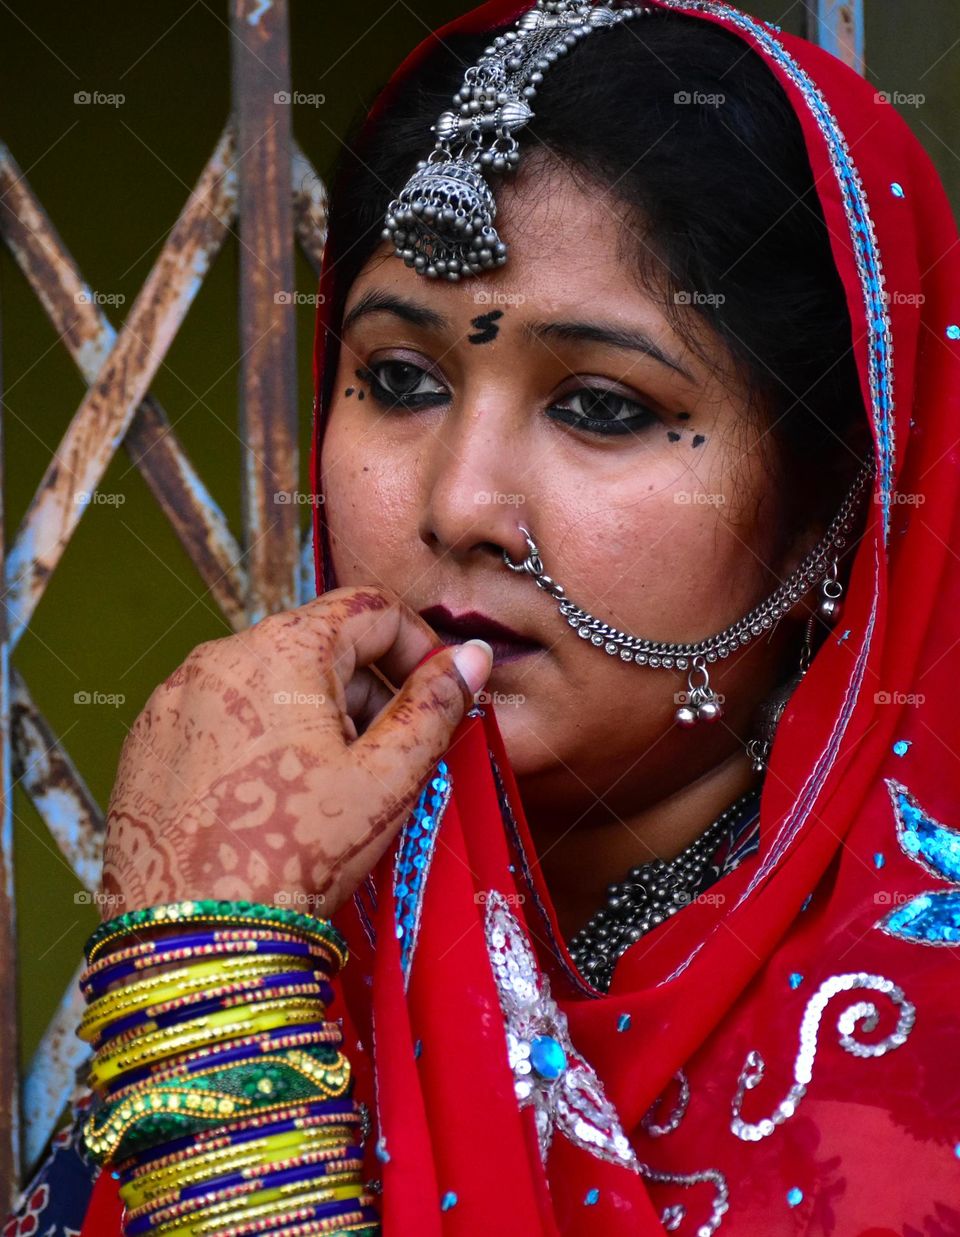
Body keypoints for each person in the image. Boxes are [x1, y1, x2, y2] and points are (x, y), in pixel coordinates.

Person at [8, 1, 960, 1234]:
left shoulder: (921, 1065)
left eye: (602, 406)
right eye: (400, 379)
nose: (460, 506)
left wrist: (214, 1024)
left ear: (829, 504)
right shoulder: (273, 915)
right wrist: (217, 967)